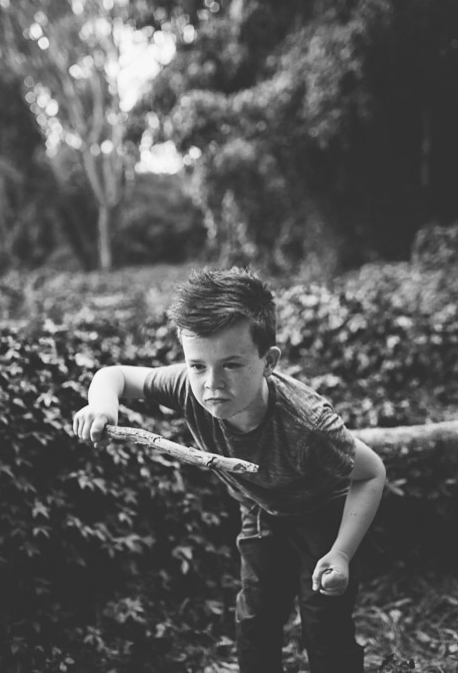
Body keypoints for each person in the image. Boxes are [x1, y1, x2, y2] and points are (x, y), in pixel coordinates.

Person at [72, 267, 385, 673]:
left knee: (325, 632)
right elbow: (113, 375)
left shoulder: (310, 427)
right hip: (260, 511)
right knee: (254, 621)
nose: (211, 385)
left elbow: (371, 473)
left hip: (322, 517)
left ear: (268, 360)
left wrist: (341, 554)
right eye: (198, 366)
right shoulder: (187, 385)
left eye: (232, 365)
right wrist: (102, 404)